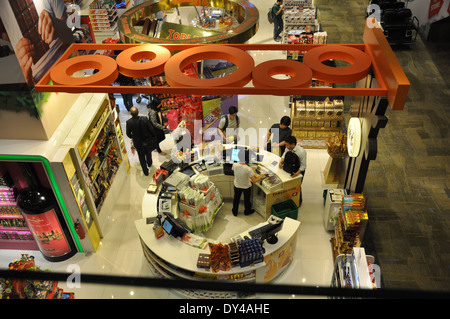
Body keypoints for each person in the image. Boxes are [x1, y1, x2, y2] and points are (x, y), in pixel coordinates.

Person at [232, 149, 265, 216]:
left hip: (237, 185)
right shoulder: (248, 169)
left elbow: (238, 171)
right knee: (247, 200)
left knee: (236, 199)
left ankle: (235, 211)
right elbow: (254, 181)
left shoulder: (234, 164)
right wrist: (261, 176)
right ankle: (247, 211)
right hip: (246, 187)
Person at [126, 107, 157, 176]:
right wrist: (153, 136)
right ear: (138, 111)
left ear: (130, 113)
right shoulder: (145, 119)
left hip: (138, 142)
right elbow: (151, 128)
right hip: (147, 140)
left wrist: (133, 137)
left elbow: (128, 134)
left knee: (141, 156)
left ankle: (145, 171)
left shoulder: (129, 122)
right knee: (148, 152)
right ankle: (149, 163)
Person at [278, 135, 307, 204]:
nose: (286, 147)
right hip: (289, 167)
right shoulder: (288, 148)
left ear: (293, 144)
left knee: (297, 186)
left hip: (298, 170)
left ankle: (298, 202)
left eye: (287, 145)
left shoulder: (302, 152)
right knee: (288, 185)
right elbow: (284, 155)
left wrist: (296, 173)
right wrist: (281, 161)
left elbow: (303, 166)